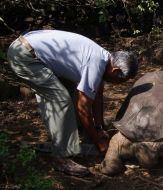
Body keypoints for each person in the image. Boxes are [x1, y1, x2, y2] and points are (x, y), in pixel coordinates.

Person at [7, 30, 138, 176]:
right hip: (25, 56)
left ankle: (74, 133)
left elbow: (97, 98)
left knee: (71, 90)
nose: (116, 85)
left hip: (32, 52)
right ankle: (61, 158)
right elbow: (83, 109)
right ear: (115, 70)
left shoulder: (105, 59)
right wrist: (99, 143)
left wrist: (99, 128)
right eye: (119, 81)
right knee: (61, 99)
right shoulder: (96, 63)